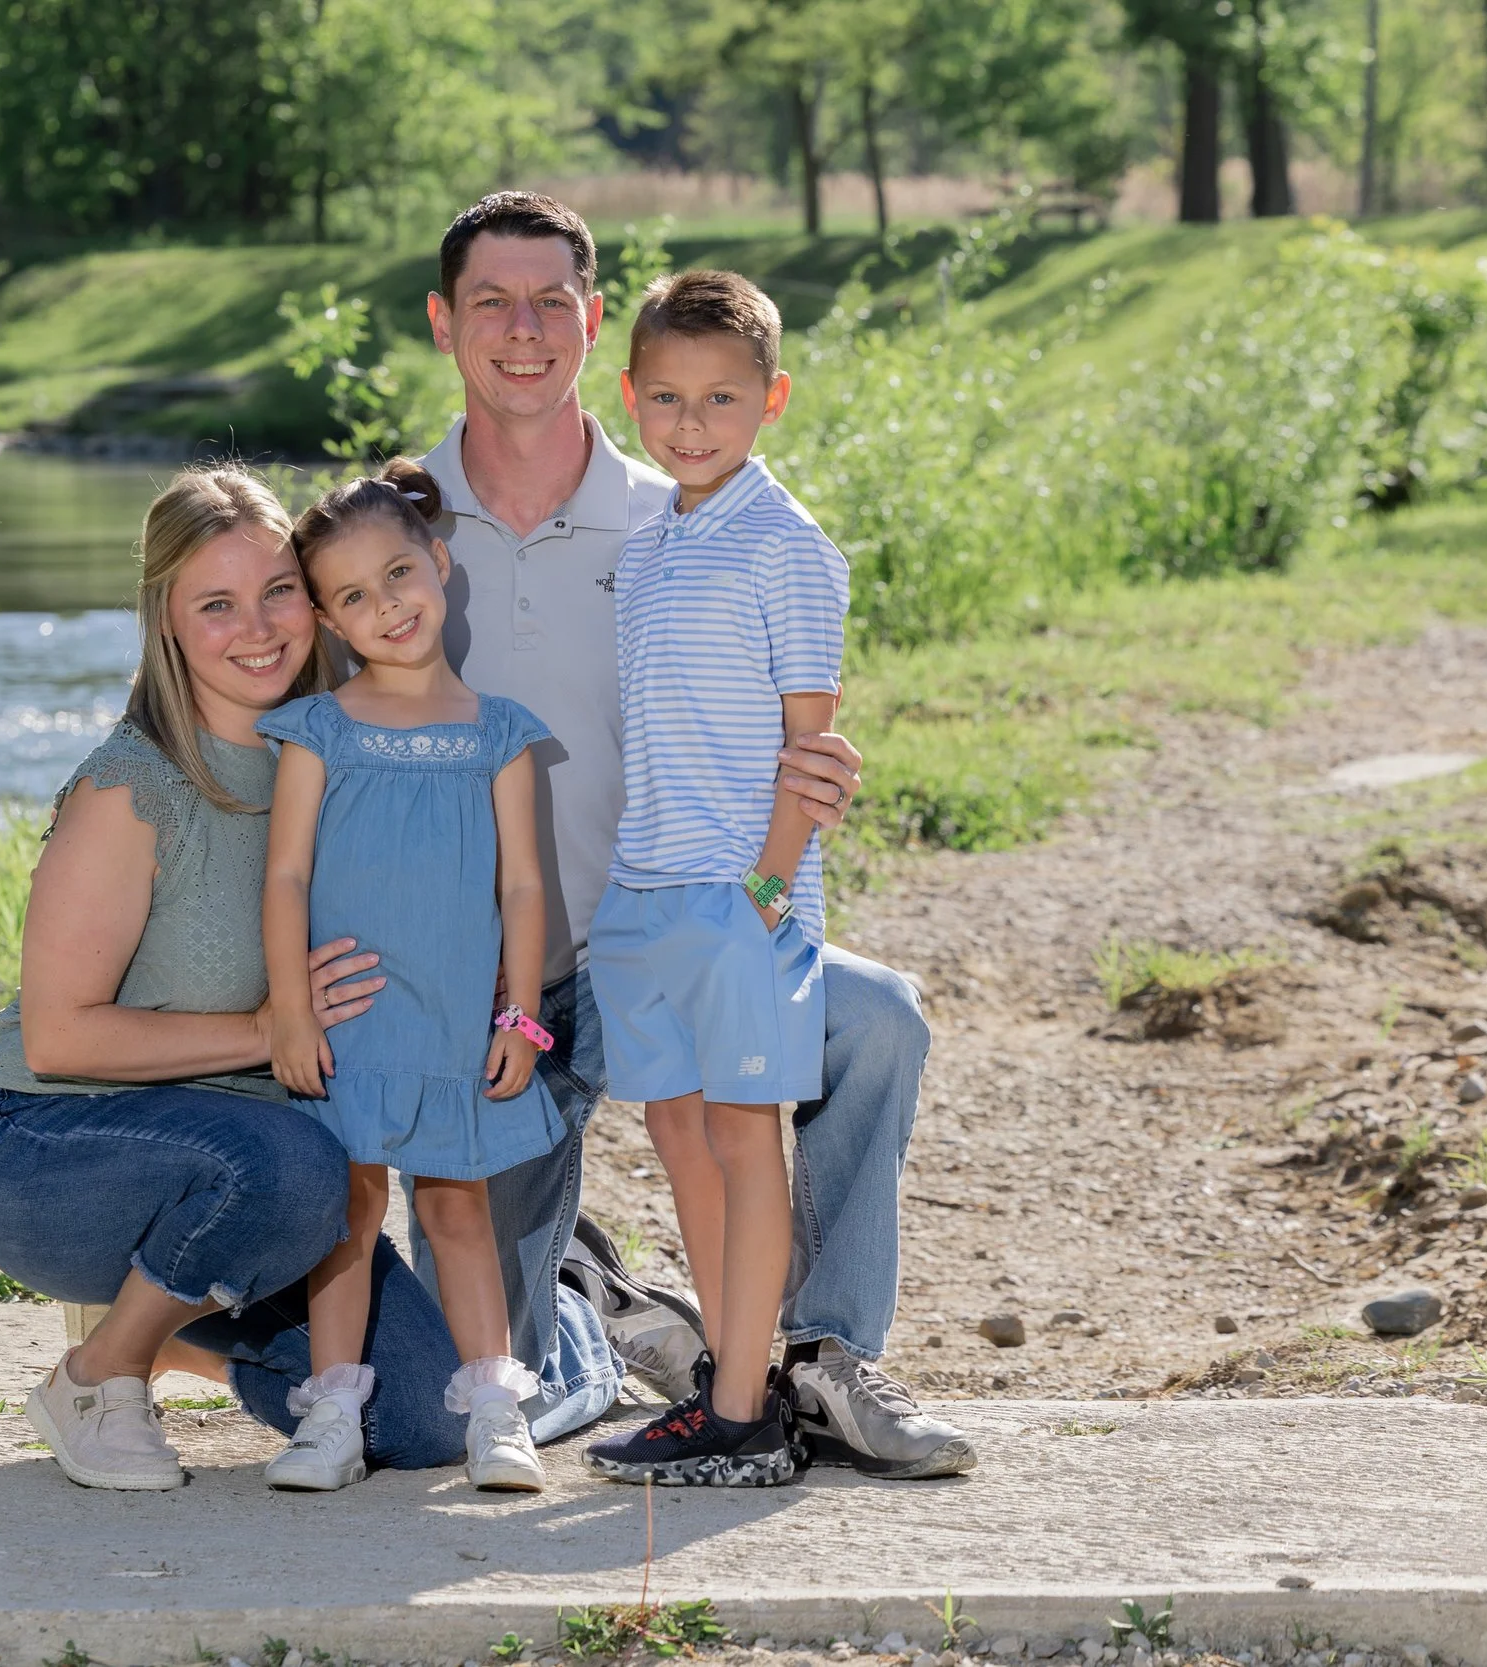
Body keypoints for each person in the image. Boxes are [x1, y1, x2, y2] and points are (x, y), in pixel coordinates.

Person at [417, 191, 976, 1480]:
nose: (521, 330)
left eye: (549, 300)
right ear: (446, 321)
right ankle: (632, 1315)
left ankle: (806, 1363)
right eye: (492, 303)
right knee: (438, 1391)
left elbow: (795, 713)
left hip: (708, 906)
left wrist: (783, 858)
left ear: (590, 322)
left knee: (867, 1023)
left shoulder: (683, 510)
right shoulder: (399, 523)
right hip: (532, 958)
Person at [0, 466, 472, 1490]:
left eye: (279, 590)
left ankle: (177, 1312)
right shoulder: (131, 786)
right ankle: (100, 1372)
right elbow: (60, 1036)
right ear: (168, 622)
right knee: (295, 1168)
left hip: (262, 1177)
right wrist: (270, 1027)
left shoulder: (338, 759)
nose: (259, 627)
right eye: (216, 604)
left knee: (422, 1415)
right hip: (48, 1147)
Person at [582, 270, 847, 1488]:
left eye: (722, 398)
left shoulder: (790, 549)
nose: (691, 423)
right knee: (678, 1132)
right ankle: (726, 1384)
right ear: (630, 394)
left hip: (744, 895)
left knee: (746, 1133)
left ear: (772, 399)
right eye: (668, 398)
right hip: (645, 893)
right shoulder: (649, 545)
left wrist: (771, 893)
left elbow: (813, 744)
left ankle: (748, 1409)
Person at [257, 460, 560, 1494]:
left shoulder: (499, 733)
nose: (386, 605)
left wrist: (521, 1016)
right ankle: (333, 1412)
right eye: (353, 595)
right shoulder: (321, 730)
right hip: (347, 1024)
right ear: (331, 622)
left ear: (439, 561)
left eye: (398, 572)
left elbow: (524, 888)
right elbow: (287, 872)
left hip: (446, 1020)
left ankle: (497, 1415)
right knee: (345, 1214)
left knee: (455, 1206)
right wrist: (288, 1010)